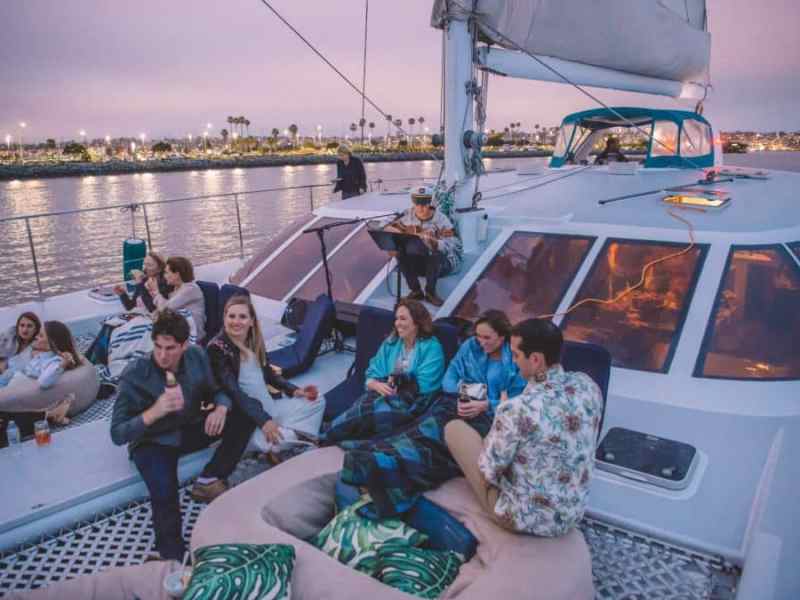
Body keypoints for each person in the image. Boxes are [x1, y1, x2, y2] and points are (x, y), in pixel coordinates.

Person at [110, 309, 254, 561]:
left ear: (185, 345)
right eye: (158, 347)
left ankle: (210, 478)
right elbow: (118, 434)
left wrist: (220, 407)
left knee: (244, 414)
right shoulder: (135, 373)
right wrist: (155, 411)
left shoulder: (197, 356)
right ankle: (172, 558)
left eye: (170, 348)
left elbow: (217, 390)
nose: (163, 355)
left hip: (188, 428)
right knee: (166, 494)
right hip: (152, 441)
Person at [445, 318, 602, 536]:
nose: (514, 362)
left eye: (516, 355)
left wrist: (488, 440)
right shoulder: (588, 386)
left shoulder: (515, 409)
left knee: (455, 429)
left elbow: (487, 473)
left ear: (536, 359)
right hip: (571, 514)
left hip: (521, 518)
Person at [207, 295, 324, 460]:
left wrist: (294, 390)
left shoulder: (252, 342)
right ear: (224, 318)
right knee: (281, 439)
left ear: (252, 321)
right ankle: (290, 439)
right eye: (231, 316)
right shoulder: (217, 349)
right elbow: (234, 392)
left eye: (242, 316)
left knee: (317, 400)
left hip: (271, 407)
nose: (236, 321)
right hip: (251, 418)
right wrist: (264, 421)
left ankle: (290, 436)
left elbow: (268, 374)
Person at [322, 299, 445, 444]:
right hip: (383, 392)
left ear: (417, 322)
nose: (397, 323)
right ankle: (331, 437)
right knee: (364, 406)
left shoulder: (432, 348)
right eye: (396, 318)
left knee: (370, 413)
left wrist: (399, 382)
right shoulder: (392, 342)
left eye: (403, 318)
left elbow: (426, 386)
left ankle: (326, 435)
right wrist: (374, 384)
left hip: (412, 401)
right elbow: (373, 371)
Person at [442, 309, 527, 418]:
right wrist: (459, 398)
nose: (481, 342)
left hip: (495, 416)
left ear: (502, 337)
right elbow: (451, 372)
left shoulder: (515, 358)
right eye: (478, 335)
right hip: (460, 404)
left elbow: (517, 398)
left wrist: (488, 405)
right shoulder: (471, 346)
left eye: (487, 337)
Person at [385, 187, 462, 307]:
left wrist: (435, 243)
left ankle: (431, 293)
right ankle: (416, 291)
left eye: (424, 204)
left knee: (434, 253)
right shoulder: (407, 214)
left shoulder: (441, 219)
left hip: (444, 264)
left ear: (430, 203)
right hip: (420, 262)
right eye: (417, 204)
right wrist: (394, 238)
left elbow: (455, 244)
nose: (421, 208)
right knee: (400, 253)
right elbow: (386, 226)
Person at [0, 320, 79, 390]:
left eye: (41, 336)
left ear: (51, 343)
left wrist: (63, 364)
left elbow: (43, 382)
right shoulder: (41, 355)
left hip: (13, 386)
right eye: (38, 334)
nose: (36, 337)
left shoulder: (55, 361)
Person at [149, 256, 206, 341]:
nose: (165, 276)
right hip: (177, 329)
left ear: (177, 274)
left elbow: (164, 309)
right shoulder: (177, 288)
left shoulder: (190, 289)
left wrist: (156, 292)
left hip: (191, 334)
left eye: (167, 273)